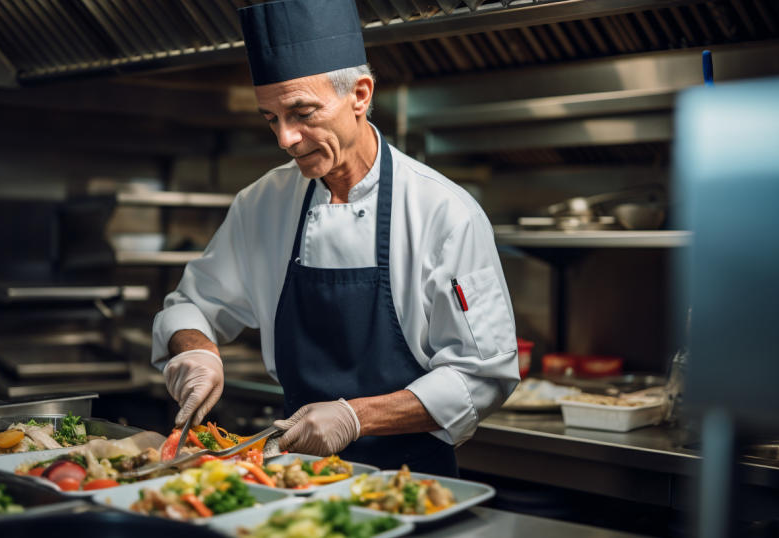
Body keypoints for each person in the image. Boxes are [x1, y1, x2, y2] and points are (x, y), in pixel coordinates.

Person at [151, 0, 518, 476]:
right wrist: (196, 350)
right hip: (291, 476)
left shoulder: (444, 213)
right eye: (271, 119)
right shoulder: (262, 203)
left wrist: (354, 417)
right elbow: (191, 304)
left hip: (407, 482)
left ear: (361, 94)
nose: (285, 138)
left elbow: (482, 376)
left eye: (302, 112)